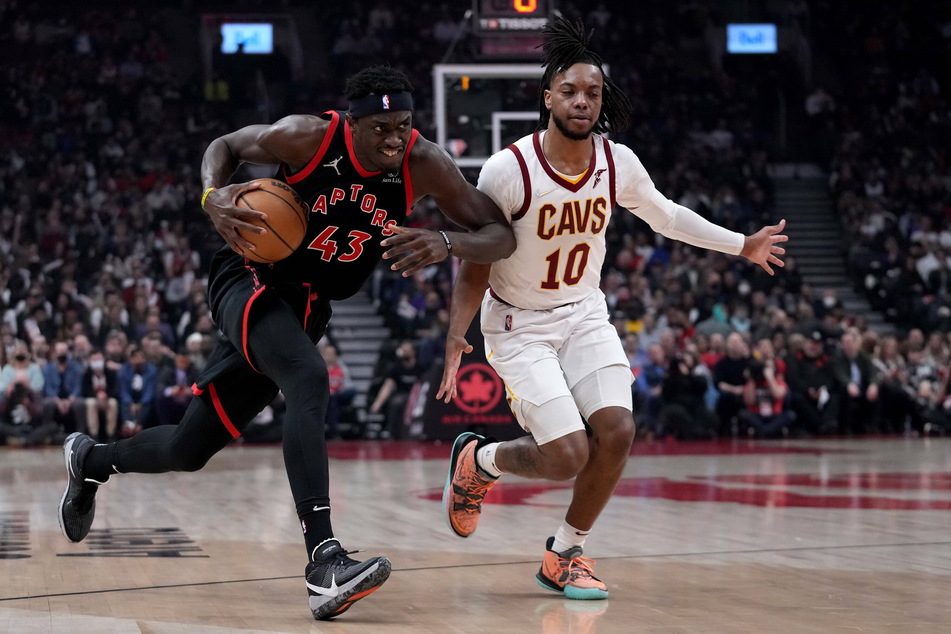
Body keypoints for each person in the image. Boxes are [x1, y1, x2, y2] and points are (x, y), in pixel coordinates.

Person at [58, 65, 515, 621]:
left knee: (188, 448)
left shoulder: (425, 163)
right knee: (308, 376)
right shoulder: (306, 137)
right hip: (248, 277)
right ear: (355, 122)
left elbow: (500, 235)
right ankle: (324, 563)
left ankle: (91, 461)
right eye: (383, 128)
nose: (396, 138)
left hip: (307, 306)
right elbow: (224, 145)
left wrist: (447, 241)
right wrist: (212, 196)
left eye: (405, 124)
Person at [436, 17, 786, 601]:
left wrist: (742, 244)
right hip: (520, 326)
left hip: (583, 313)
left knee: (618, 431)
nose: (582, 101)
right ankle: (482, 460)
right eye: (570, 91)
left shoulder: (616, 161)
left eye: (592, 93)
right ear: (547, 97)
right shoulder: (506, 169)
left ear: (603, 101)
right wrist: (455, 336)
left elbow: (668, 217)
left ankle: (565, 552)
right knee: (567, 455)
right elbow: (475, 259)